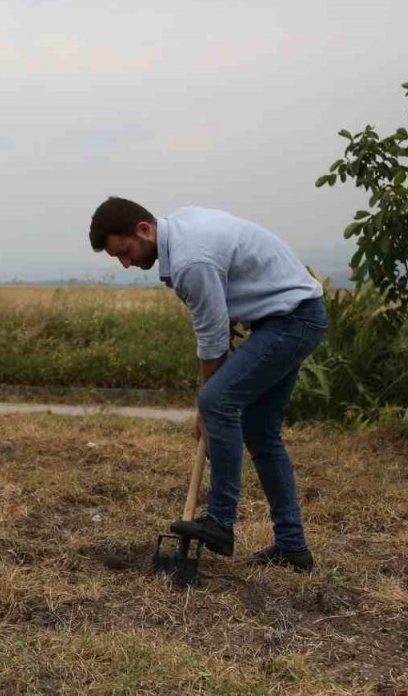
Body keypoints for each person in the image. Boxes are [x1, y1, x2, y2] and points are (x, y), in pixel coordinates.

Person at [89, 196, 327, 572]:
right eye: (119, 258)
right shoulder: (180, 232)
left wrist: (208, 409)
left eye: (126, 251)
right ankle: (292, 546)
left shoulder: (189, 260)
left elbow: (213, 337)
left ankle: (220, 522)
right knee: (260, 431)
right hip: (286, 318)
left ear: (144, 230)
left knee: (218, 401)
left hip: (292, 321)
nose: (127, 263)